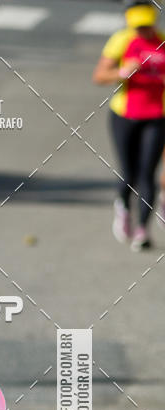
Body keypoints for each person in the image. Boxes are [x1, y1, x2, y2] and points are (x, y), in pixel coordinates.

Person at [93, 1, 165, 250]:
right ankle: (123, 206)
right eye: (138, 26)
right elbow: (99, 76)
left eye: (147, 26)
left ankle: (142, 230)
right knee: (129, 173)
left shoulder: (162, 42)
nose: (143, 30)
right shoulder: (121, 40)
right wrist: (122, 73)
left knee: (148, 174)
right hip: (124, 115)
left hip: (156, 116)